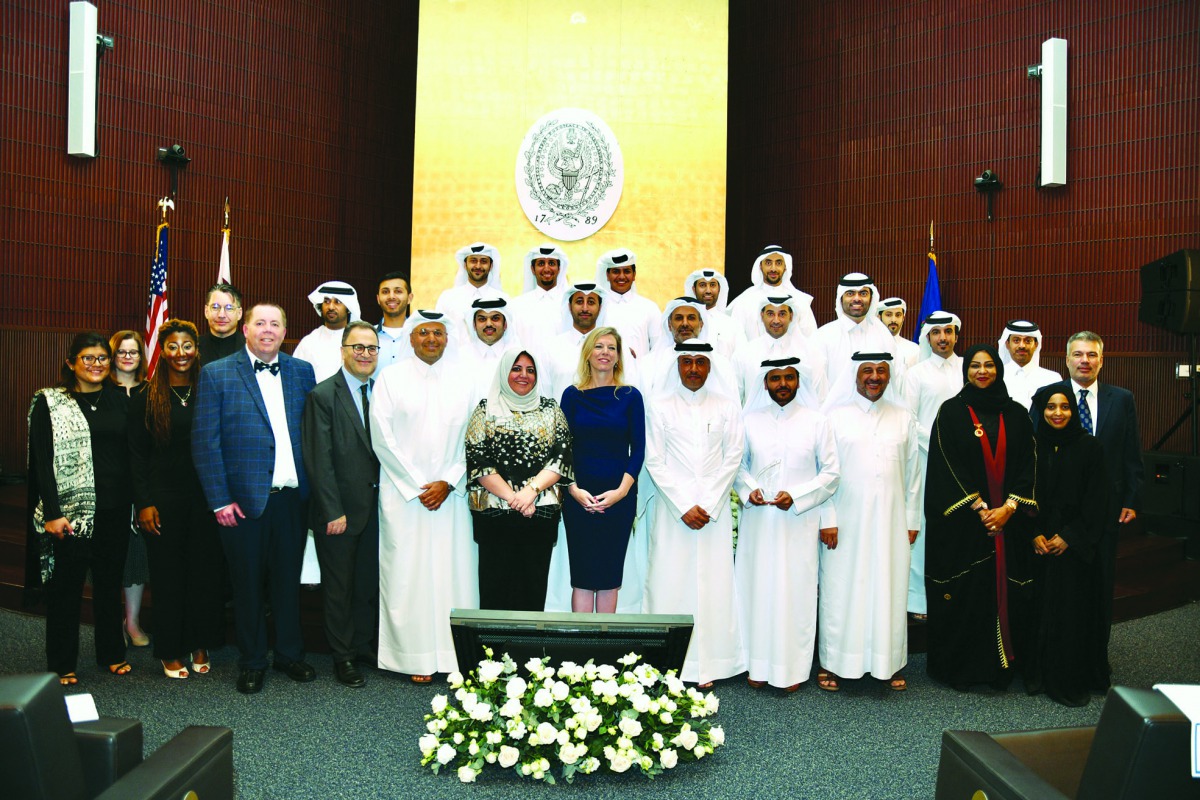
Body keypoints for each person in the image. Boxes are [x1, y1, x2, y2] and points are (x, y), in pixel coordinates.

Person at [192, 303, 317, 694]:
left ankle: (289, 654)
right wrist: (219, 499)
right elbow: (204, 443)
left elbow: (311, 434)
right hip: (242, 503)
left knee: (286, 583)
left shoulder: (301, 371)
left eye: (275, 324)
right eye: (260, 323)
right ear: (245, 329)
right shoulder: (216, 373)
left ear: (284, 331)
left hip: (292, 500)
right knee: (246, 585)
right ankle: (251, 660)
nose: (267, 330)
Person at [371, 310, 479, 682]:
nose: (431, 339)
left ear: (447, 339)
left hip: (451, 497)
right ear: (411, 339)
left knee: (453, 574)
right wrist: (420, 485)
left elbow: (475, 435)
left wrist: (448, 481)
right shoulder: (390, 378)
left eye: (438, 333)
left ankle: (453, 656)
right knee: (407, 576)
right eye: (423, 333)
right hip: (406, 497)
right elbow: (381, 437)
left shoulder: (465, 381)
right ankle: (412, 658)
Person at [924, 344, 1039, 692]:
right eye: (975, 366)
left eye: (989, 365)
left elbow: (1029, 464)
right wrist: (979, 508)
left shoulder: (1018, 414)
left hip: (1010, 523)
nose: (982, 371)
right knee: (969, 594)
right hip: (965, 527)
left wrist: (1008, 508)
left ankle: (1003, 666)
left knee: (1008, 591)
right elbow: (945, 464)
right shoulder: (951, 412)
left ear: (998, 370)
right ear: (966, 371)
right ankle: (963, 667)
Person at [27, 332, 132, 684]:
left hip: (115, 509)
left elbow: (129, 454)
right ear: (71, 362)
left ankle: (112, 653)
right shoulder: (50, 403)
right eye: (87, 358)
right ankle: (61, 663)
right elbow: (42, 462)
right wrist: (53, 512)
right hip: (70, 515)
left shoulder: (120, 400)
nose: (96, 364)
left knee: (108, 585)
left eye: (102, 358)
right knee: (65, 590)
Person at [643, 340, 746, 687]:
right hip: (674, 510)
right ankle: (667, 664)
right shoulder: (658, 406)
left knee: (714, 585)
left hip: (711, 512)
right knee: (670, 580)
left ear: (710, 366)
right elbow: (654, 459)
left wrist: (710, 501)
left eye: (701, 362)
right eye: (686, 362)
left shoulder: (727, 406)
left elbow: (733, 456)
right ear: (677, 365)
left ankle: (712, 665)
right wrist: (684, 505)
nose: (693, 369)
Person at [817, 353, 920, 692]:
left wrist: (911, 519)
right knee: (842, 588)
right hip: (844, 521)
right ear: (855, 376)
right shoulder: (834, 417)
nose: (874, 377)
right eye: (867, 371)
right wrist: (827, 518)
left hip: (891, 521)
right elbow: (824, 473)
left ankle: (887, 664)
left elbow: (913, 476)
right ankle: (834, 663)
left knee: (887, 588)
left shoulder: (904, 417)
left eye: (881, 371)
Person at [736, 357, 839, 691]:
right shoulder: (749, 420)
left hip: (799, 521)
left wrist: (796, 495)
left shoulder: (817, 421)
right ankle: (756, 664)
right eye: (775, 379)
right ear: (765, 383)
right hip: (758, 521)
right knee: (756, 589)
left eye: (789, 378)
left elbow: (831, 473)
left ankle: (791, 671)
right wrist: (748, 490)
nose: (782, 384)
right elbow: (736, 465)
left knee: (795, 593)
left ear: (799, 381)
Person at [129, 319, 225, 680]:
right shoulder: (145, 398)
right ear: (162, 351)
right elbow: (136, 456)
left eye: (187, 346)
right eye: (173, 346)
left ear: (196, 350)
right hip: (163, 500)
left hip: (206, 497)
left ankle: (199, 642)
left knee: (203, 573)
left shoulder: (209, 390)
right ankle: (170, 648)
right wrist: (144, 503)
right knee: (169, 576)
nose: (181, 353)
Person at [301, 321, 382, 689]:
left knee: (366, 583)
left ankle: (363, 645)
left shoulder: (381, 391)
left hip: (376, 510)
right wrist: (333, 510)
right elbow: (319, 459)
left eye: (371, 348)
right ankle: (343, 656)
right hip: (339, 513)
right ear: (343, 351)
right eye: (358, 348)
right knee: (339, 588)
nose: (365, 354)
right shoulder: (323, 395)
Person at [1065, 330, 1143, 688]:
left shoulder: (1121, 399)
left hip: (1108, 512)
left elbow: (1131, 453)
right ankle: (1061, 660)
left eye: (1092, 355)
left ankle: (1096, 663)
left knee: (1099, 587)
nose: (1085, 361)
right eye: (1078, 354)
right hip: (1063, 513)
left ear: (1101, 360)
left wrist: (1130, 498)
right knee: (1064, 590)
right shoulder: (1052, 398)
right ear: (1066, 360)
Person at [466, 348, 573, 610]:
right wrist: (515, 498)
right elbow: (478, 459)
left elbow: (562, 457)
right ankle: (490, 652)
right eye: (516, 368)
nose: (523, 375)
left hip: (540, 515)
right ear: (504, 372)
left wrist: (531, 491)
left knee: (533, 591)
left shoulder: (551, 409)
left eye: (530, 370)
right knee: (494, 592)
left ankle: (531, 653)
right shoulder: (485, 409)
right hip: (494, 516)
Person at [1029, 383, 1111, 706]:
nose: (1058, 413)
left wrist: (1071, 537)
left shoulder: (1090, 448)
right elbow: (1020, 493)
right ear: (1042, 410)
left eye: (1064, 407)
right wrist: (1032, 532)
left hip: (1074, 550)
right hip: (1037, 545)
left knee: (1072, 613)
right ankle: (1036, 673)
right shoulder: (1031, 446)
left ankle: (1069, 676)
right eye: (1051, 407)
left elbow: (1098, 500)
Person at [560, 327, 645, 614]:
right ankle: (580, 651)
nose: (605, 353)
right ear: (588, 354)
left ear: (619, 357)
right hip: (577, 496)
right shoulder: (571, 396)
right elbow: (563, 449)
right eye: (599, 346)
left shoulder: (631, 396)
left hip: (618, 498)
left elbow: (639, 450)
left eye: (611, 348)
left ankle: (604, 652)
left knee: (609, 578)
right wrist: (573, 490)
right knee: (582, 578)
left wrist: (621, 492)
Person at [902, 312, 963, 620]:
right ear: (927, 337)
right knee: (923, 530)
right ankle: (918, 601)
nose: (943, 337)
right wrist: (942, 443)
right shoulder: (916, 374)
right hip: (926, 462)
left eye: (949, 332)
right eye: (937, 332)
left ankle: (958, 593)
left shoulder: (969, 368)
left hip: (965, 464)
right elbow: (909, 420)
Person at [108, 330, 151, 649]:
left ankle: (132, 621)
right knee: (110, 558)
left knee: (136, 558)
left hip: (141, 485)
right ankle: (110, 624)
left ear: (141, 357)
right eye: (121, 351)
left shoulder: (151, 392)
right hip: (106, 486)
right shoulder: (100, 390)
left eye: (133, 351)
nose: (127, 356)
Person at [730, 294, 827, 406]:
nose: (776, 320)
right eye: (770, 314)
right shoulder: (744, 354)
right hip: (754, 422)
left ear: (791, 316)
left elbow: (821, 399)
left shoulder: (811, 354)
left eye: (782, 314)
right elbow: (734, 400)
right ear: (762, 316)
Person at [812, 273, 897, 387]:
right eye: (850, 293)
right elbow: (817, 384)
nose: (857, 299)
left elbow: (893, 379)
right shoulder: (823, 336)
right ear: (841, 299)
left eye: (863, 293)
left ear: (871, 299)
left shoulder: (883, 335)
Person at [726, 245, 818, 343]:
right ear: (760, 266)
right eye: (768, 263)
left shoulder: (799, 300)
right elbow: (735, 340)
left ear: (785, 266)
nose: (773, 268)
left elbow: (811, 338)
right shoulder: (745, 301)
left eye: (778, 263)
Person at [594, 249, 660, 359]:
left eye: (627, 271)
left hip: (640, 373)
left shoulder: (649, 307)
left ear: (634, 275)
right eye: (616, 272)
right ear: (607, 275)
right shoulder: (597, 308)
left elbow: (657, 348)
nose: (621, 276)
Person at [435, 242, 508, 337]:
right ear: (465, 265)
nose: (478, 266)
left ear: (491, 266)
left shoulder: (503, 299)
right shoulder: (447, 298)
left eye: (483, 261)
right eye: (473, 261)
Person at [293, 281, 360, 382]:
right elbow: (295, 377)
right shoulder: (309, 341)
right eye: (327, 301)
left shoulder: (359, 339)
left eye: (337, 302)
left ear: (349, 308)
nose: (331, 307)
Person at [509, 244, 571, 344]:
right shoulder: (518, 305)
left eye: (551, 263)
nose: (546, 269)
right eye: (541, 264)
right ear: (533, 269)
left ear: (559, 268)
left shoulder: (569, 304)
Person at [998, 320, 1062, 409]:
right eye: (1016, 340)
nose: (1022, 345)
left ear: (1036, 344)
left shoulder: (1052, 379)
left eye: (1028, 341)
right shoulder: (997, 377)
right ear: (1007, 344)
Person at [683, 268, 745, 355]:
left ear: (719, 289)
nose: (708, 291)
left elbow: (741, 359)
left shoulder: (733, 325)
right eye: (702, 285)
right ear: (694, 289)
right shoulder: (684, 325)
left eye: (712, 285)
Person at [374, 271, 412, 373]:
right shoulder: (368, 335)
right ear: (378, 299)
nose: (391, 296)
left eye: (398, 291)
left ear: (409, 298)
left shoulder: (420, 337)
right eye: (385, 292)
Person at [198, 282, 246, 363]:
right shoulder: (194, 347)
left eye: (229, 308)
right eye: (215, 307)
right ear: (206, 311)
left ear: (239, 313)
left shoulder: (250, 348)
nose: (221, 315)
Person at [878, 297, 920, 369]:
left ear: (903, 318)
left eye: (898, 315)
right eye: (888, 315)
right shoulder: (870, 346)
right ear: (879, 317)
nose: (893, 320)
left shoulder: (914, 349)